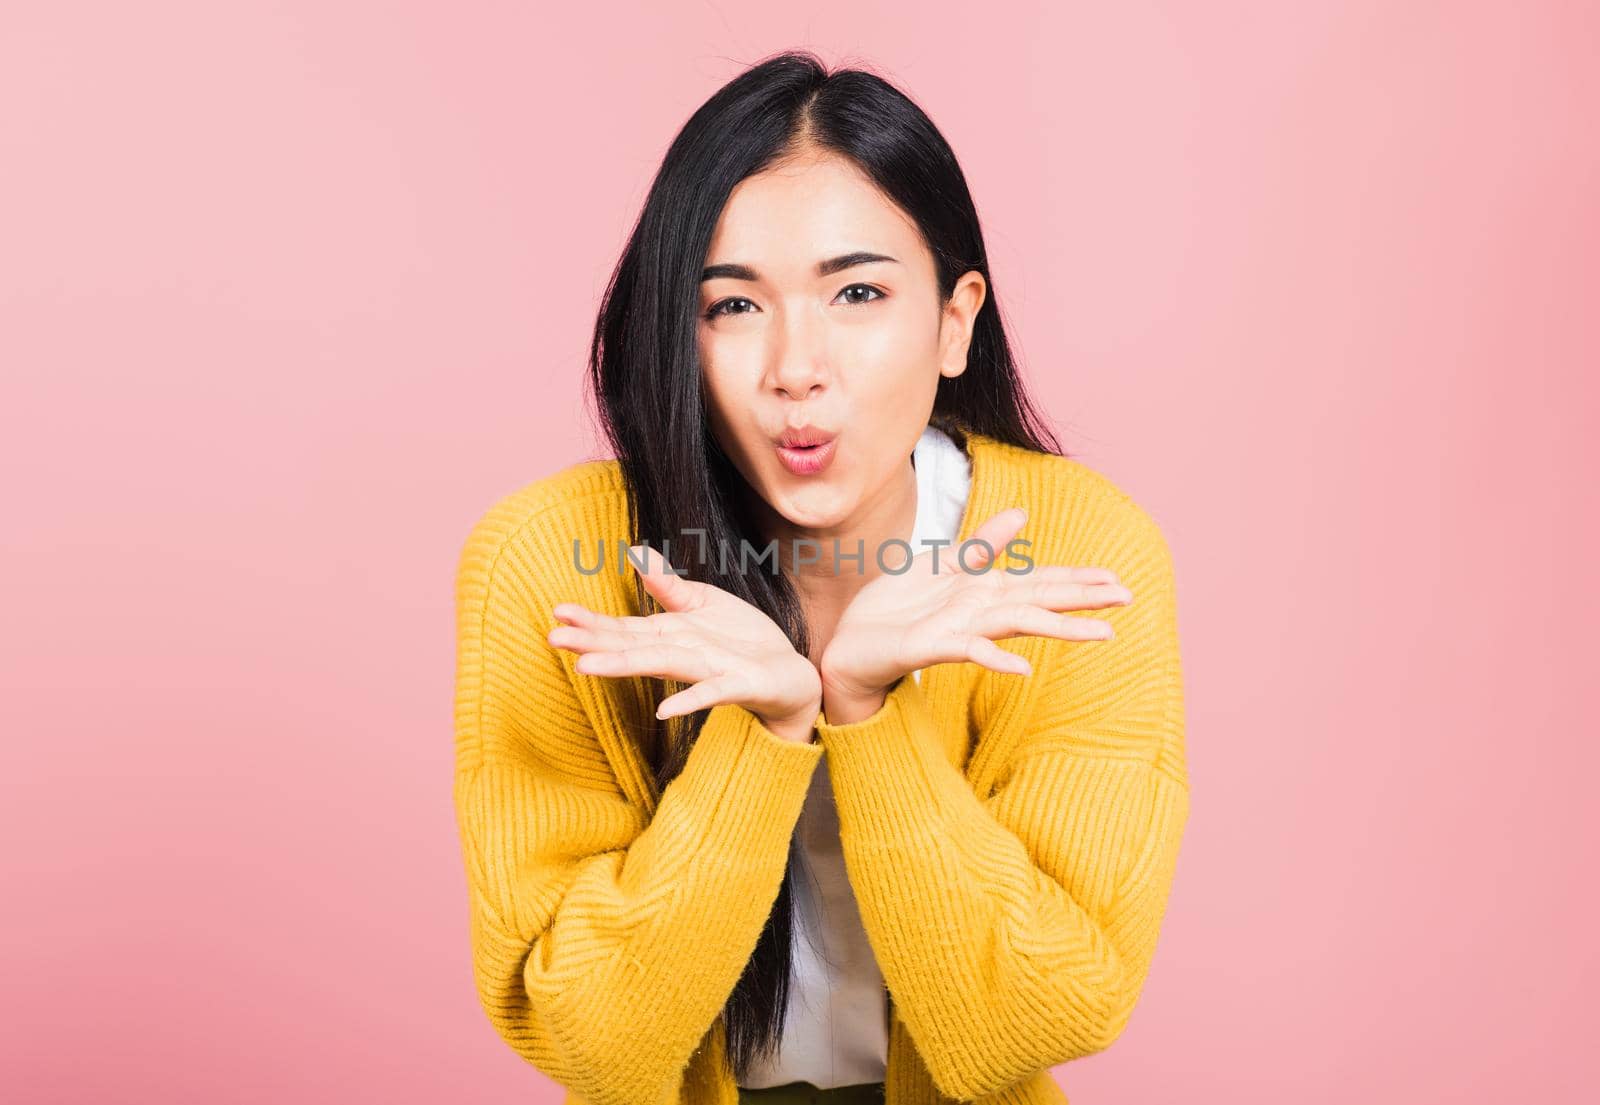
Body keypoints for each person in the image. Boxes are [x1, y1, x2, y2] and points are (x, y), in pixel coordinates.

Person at [452, 50, 1189, 1105]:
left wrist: (866, 710)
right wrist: (763, 738)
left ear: (953, 320)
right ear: (677, 332)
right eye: (732, 307)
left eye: (856, 292)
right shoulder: (546, 563)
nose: (796, 367)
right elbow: (591, 1039)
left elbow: (1041, 1011)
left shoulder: (1078, 552)